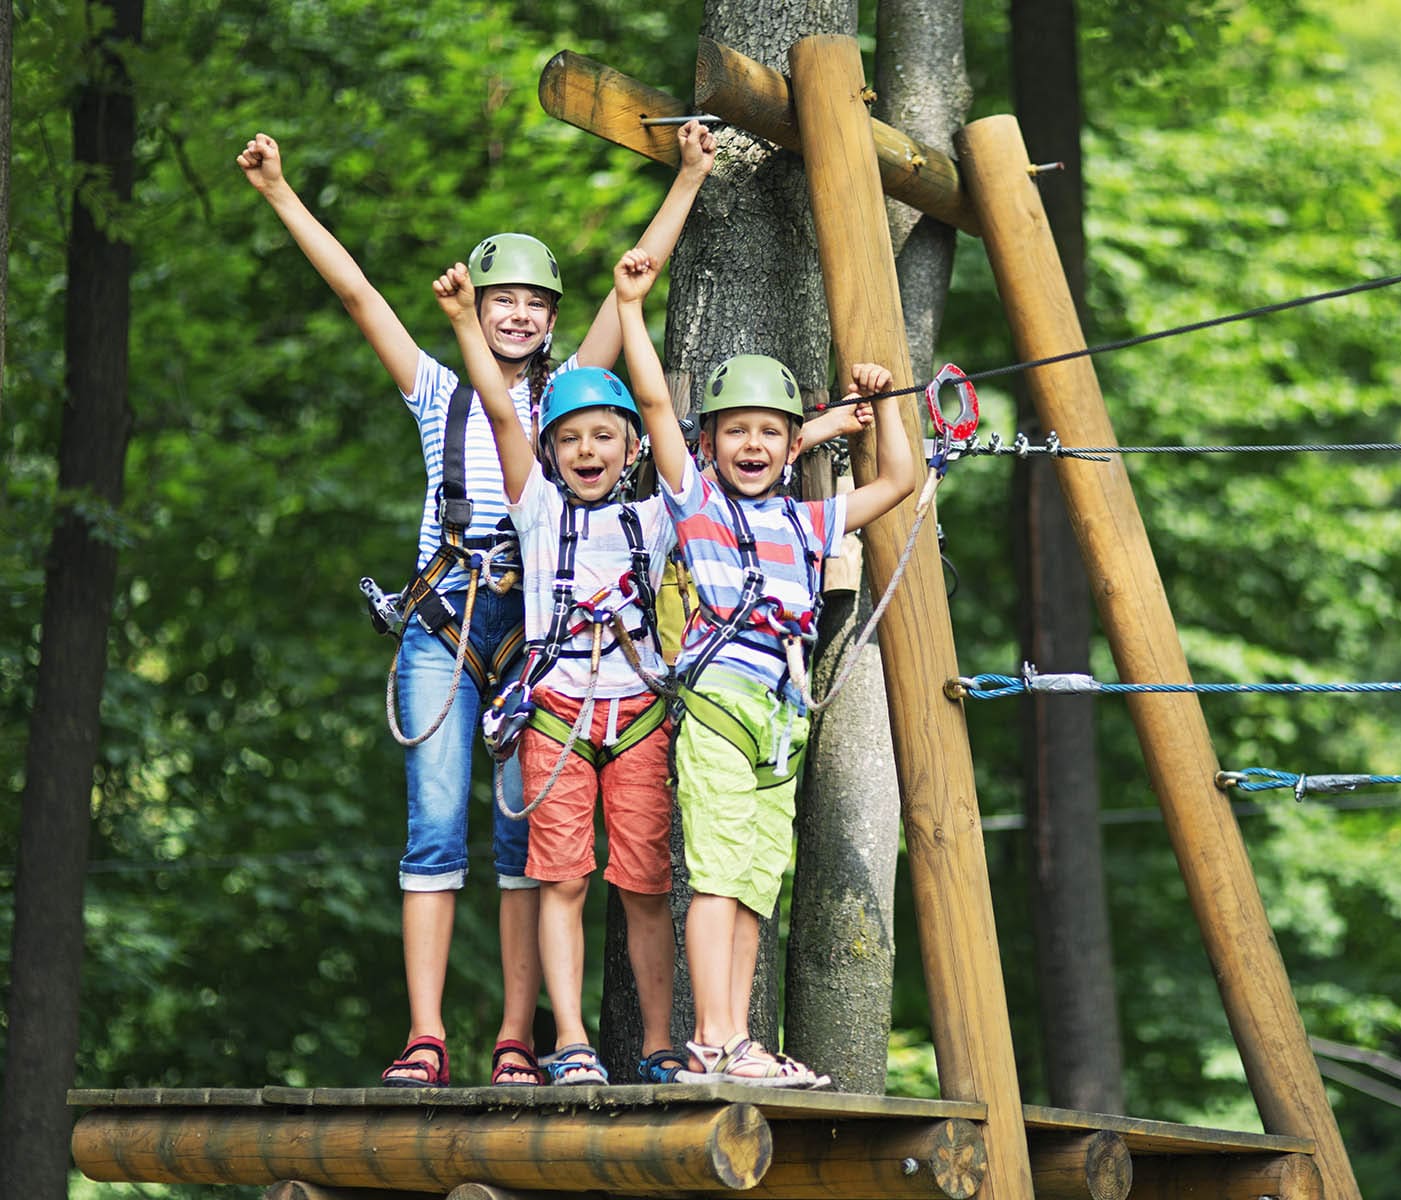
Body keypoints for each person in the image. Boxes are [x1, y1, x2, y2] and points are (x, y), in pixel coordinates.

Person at [236, 121, 716, 1087]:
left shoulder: (578, 400)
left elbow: (636, 284)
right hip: (446, 623)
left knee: (523, 846)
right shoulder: (440, 393)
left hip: (541, 635)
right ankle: (425, 1035)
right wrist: (281, 192)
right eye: (503, 300)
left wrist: (693, 178)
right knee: (432, 826)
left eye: (535, 303)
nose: (518, 315)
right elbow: (358, 294)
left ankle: (514, 1036)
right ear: (480, 306)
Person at [617, 247, 914, 1085]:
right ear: (708, 443)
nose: (753, 444)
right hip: (718, 705)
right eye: (736, 431)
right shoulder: (696, 500)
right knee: (713, 872)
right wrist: (633, 311)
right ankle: (713, 1038)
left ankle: (738, 1039)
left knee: (755, 882)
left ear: (792, 448)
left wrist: (884, 403)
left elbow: (896, 478)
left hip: (780, 720)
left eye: (770, 433)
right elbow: (650, 400)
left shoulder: (809, 522)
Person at [435, 256, 688, 1086]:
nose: (587, 450)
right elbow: (507, 421)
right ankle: (572, 1040)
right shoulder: (536, 506)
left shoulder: (659, 516)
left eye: (603, 437)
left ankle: (656, 1043)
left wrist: (632, 303)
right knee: (562, 879)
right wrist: (470, 324)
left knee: (647, 885)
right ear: (550, 453)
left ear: (631, 448)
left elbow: (666, 414)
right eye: (571, 439)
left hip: (639, 715)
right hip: (554, 720)